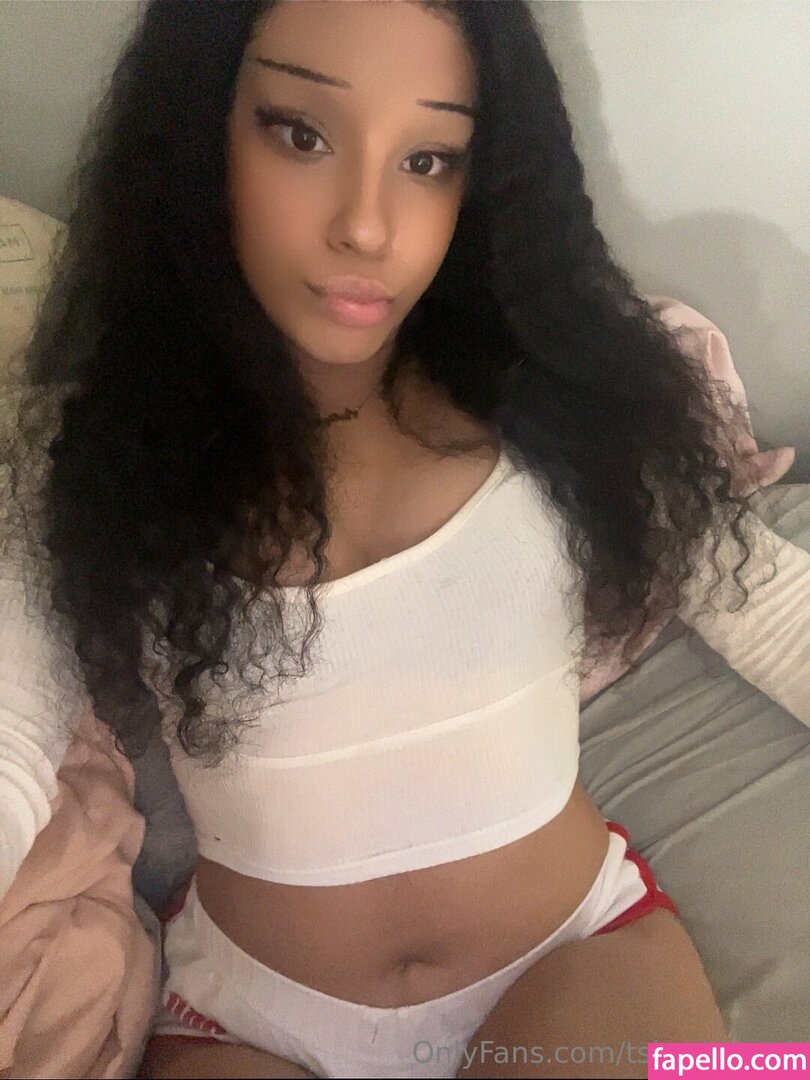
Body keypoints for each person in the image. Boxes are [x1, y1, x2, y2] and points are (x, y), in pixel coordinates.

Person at [1, 1, 807, 1077]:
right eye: (301, 134)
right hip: (245, 1012)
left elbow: (773, 607)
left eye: (428, 159)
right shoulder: (88, 452)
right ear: (199, 129)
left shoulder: (576, 399)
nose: (368, 227)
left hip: (575, 955)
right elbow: (10, 729)